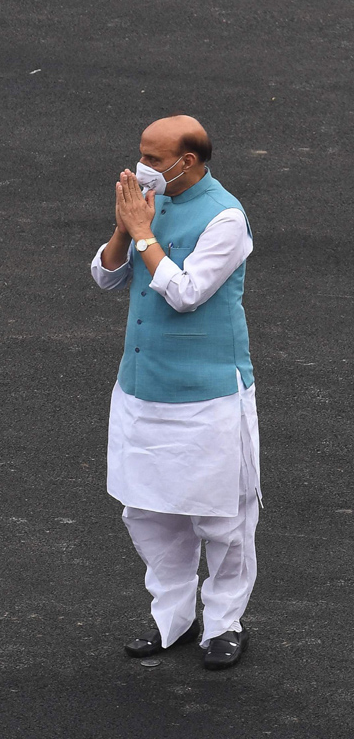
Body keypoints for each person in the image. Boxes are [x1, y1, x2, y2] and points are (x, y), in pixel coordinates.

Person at [91, 114, 260, 670]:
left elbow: (186, 292)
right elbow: (106, 276)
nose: (142, 165)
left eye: (154, 157)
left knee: (223, 520)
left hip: (209, 394)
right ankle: (174, 619)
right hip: (143, 388)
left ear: (187, 162)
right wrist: (124, 226)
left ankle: (225, 623)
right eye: (140, 152)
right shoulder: (147, 201)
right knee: (148, 511)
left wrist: (143, 234)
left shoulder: (226, 218)